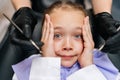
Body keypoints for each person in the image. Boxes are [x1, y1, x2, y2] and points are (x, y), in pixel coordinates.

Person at [12, 1, 120, 80]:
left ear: (88, 37)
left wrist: (87, 66)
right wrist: (47, 63)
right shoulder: (24, 73)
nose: (67, 45)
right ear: (43, 36)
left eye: (77, 36)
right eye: (57, 35)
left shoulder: (106, 71)